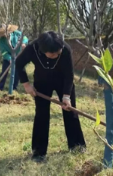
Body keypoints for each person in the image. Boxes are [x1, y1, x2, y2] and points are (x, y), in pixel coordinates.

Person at [16, 31, 86, 162]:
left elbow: (69, 75)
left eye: (58, 52)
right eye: (53, 54)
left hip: (63, 81)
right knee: (41, 115)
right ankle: (38, 152)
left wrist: (66, 96)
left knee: (70, 112)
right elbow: (19, 63)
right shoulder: (32, 49)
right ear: (43, 51)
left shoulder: (65, 49)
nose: (57, 55)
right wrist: (26, 85)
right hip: (42, 83)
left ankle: (76, 145)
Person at [0, 24, 28, 90]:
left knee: (17, 72)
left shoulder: (16, 33)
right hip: (8, 57)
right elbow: (4, 52)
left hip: (19, 54)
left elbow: (24, 38)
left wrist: (23, 43)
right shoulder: (1, 40)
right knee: (4, 71)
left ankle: (14, 87)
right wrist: (10, 59)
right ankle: (0, 87)